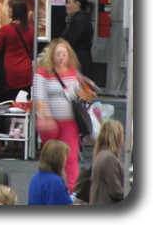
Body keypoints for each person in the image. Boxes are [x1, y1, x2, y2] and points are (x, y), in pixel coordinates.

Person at [32, 38, 85, 193]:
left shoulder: (74, 72)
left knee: (70, 157)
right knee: (51, 159)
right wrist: (46, 117)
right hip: (50, 123)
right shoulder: (42, 72)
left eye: (65, 54)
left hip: (70, 122)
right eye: (58, 54)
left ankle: (72, 191)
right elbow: (39, 97)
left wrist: (84, 93)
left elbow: (78, 96)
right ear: (52, 56)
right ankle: (50, 189)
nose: (62, 57)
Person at [0, 0, 34, 102]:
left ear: (15, 11)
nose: (7, 11)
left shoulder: (5, 30)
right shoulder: (32, 29)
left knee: (9, 101)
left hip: (10, 70)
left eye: (10, 8)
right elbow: (32, 51)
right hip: (26, 69)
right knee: (24, 102)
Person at [28, 139, 74, 205]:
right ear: (59, 159)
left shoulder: (35, 177)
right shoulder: (55, 181)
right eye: (65, 156)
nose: (66, 159)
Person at [89, 119, 124, 205]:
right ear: (117, 136)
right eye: (122, 133)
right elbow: (116, 191)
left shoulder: (100, 154)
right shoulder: (109, 159)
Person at [61, 0, 94, 79]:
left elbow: (72, 40)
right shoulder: (80, 19)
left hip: (79, 59)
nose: (66, 6)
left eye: (68, 2)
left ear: (77, 4)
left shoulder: (80, 20)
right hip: (80, 58)